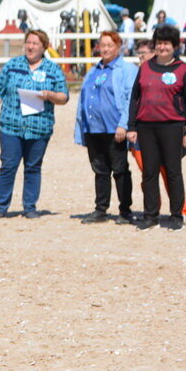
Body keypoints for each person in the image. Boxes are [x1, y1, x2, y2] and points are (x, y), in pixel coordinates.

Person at [0, 29, 70, 219]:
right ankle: (0, 207)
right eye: (28, 42)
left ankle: (30, 207)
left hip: (39, 127)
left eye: (35, 43)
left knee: (33, 167)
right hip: (11, 125)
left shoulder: (53, 69)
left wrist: (50, 95)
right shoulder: (12, 65)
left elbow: (64, 97)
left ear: (44, 47)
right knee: (8, 165)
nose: (30, 47)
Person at [126, 24, 186, 232]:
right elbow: (135, 98)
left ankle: (176, 215)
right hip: (146, 126)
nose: (162, 47)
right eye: (159, 43)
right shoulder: (145, 68)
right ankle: (150, 215)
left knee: (173, 171)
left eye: (166, 43)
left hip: (172, 126)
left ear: (175, 46)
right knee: (149, 172)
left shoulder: (183, 70)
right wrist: (132, 126)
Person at [74, 30, 137, 225]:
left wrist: (123, 125)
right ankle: (101, 209)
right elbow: (84, 99)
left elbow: (130, 100)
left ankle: (125, 210)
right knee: (100, 170)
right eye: (103, 45)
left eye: (110, 45)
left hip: (114, 129)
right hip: (94, 128)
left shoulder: (127, 70)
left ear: (118, 47)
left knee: (120, 170)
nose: (106, 49)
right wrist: (82, 127)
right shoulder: (94, 70)